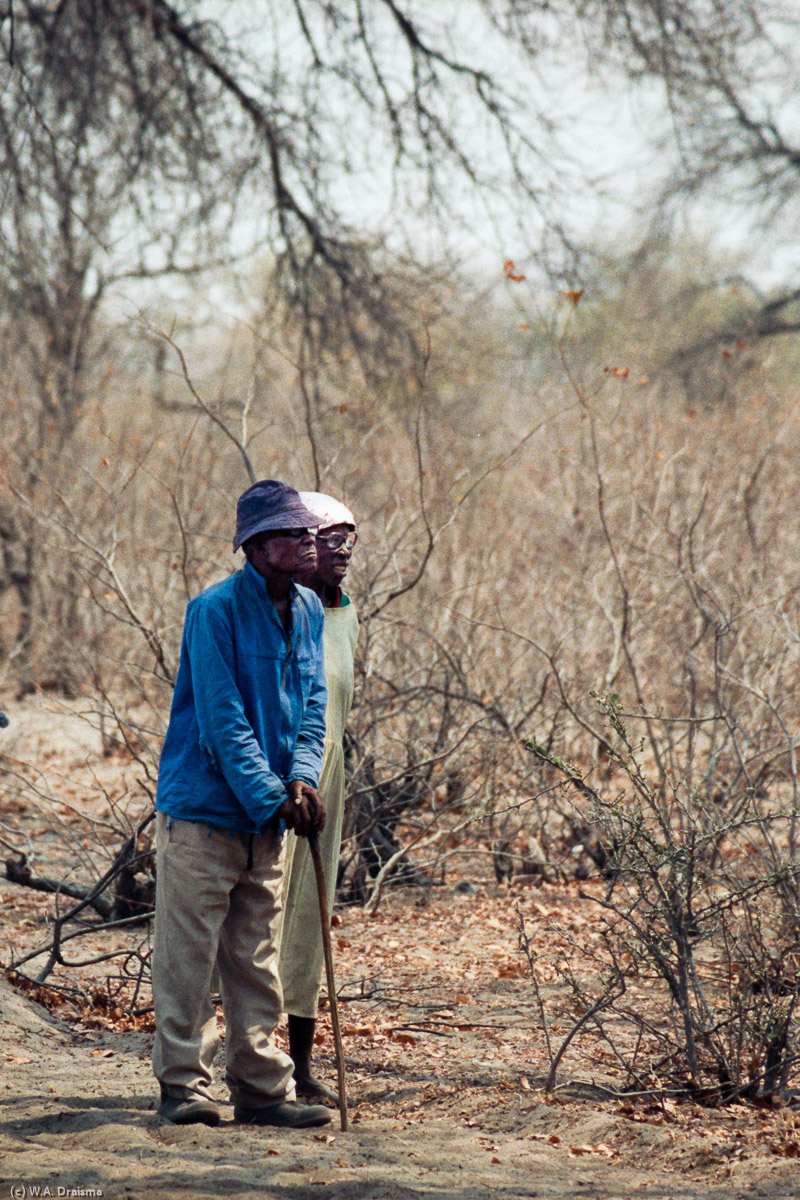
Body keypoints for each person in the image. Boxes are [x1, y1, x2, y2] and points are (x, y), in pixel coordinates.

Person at [152, 479, 334, 1130]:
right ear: (255, 547)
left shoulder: (311, 609)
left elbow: (314, 707)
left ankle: (260, 1090)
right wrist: (270, 795)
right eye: (289, 532)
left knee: (255, 955)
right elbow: (223, 722)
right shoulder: (214, 610)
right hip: (203, 812)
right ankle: (184, 1089)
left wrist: (302, 781)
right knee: (189, 957)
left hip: (270, 820)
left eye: (305, 530)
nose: (303, 540)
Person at [278, 492, 359, 1103]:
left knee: (309, 925)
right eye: (330, 537)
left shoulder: (346, 614)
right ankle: (245, 1064)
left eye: (349, 537)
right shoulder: (274, 614)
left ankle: (301, 1070)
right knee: (260, 922)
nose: (343, 549)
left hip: (325, 784)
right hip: (278, 786)